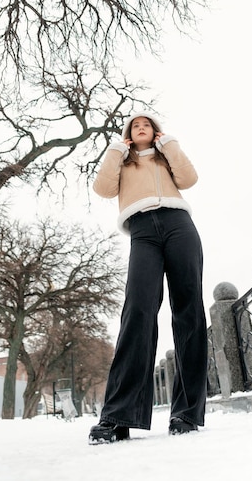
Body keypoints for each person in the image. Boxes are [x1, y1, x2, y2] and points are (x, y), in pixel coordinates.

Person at [88, 112, 208, 444]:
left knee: (188, 311)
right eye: (135, 125)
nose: (141, 128)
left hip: (178, 225)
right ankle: (118, 416)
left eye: (147, 125)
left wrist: (169, 146)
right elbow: (102, 189)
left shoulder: (165, 156)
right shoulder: (122, 163)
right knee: (138, 310)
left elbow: (189, 179)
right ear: (128, 134)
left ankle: (187, 411)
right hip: (142, 232)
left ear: (155, 132)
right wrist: (115, 151)